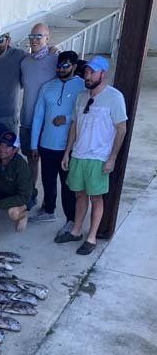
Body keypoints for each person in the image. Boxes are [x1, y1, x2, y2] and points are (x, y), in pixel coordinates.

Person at [58, 55, 127, 254]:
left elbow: (121, 129)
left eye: (92, 72)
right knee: (80, 195)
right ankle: (76, 230)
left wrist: (112, 157)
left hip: (99, 157)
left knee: (96, 198)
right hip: (79, 154)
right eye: (86, 71)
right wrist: (67, 152)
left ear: (102, 74)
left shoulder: (115, 97)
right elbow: (74, 126)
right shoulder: (81, 97)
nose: (87, 76)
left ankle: (91, 237)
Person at [29, 50, 85, 230]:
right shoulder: (47, 87)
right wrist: (33, 145)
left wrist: (67, 119)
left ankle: (70, 219)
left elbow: (86, 114)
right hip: (46, 145)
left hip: (68, 148)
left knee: (68, 185)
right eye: (59, 66)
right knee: (47, 180)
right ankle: (48, 210)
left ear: (75, 66)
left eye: (65, 65)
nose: (61, 69)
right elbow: (38, 117)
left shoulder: (83, 87)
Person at [19, 23, 59, 187]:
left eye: (39, 36)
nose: (34, 40)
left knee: (50, 165)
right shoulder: (25, 63)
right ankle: (31, 193)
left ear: (47, 39)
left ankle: (47, 202)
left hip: (48, 123)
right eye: (32, 36)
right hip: (28, 120)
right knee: (32, 160)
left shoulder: (56, 59)